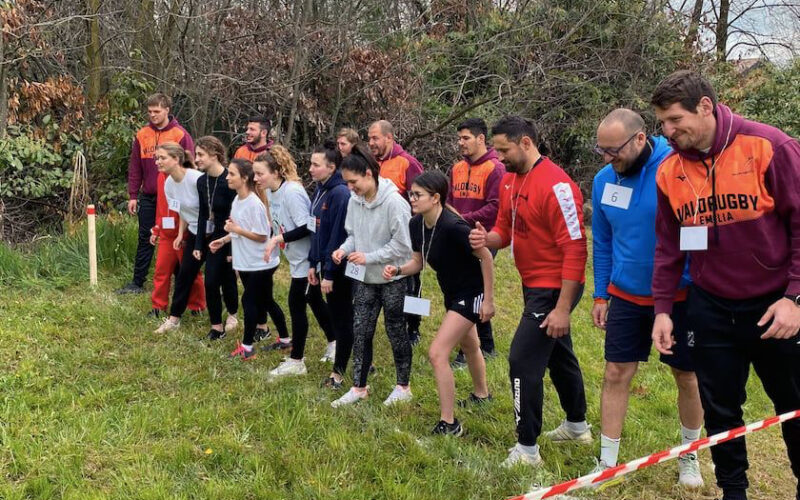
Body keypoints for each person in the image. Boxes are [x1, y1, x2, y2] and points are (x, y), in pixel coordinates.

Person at [650, 70, 800, 500]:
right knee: (720, 410)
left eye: (675, 120)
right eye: (662, 122)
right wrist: (663, 308)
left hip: (776, 307)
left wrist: (794, 298)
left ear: (705, 106)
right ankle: (733, 491)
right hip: (710, 306)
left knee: (793, 405)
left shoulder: (770, 146)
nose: (668, 131)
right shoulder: (669, 171)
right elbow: (668, 246)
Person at [589, 108, 703, 486]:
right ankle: (607, 463)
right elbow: (602, 241)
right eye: (601, 151)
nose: (608, 159)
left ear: (640, 139)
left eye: (613, 150)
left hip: (680, 297)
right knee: (615, 372)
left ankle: (690, 455)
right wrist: (601, 293)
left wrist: (684, 287)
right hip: (626, 295)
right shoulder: (605, 180)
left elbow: (697, 236)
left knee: (686, 375)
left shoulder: (677, 169)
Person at [469, 116, 590, 467]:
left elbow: (576, 250)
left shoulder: (558, 186)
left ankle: (527, 448)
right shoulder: (509, 181)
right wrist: (484, 238)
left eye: (504, 150)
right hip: (531, 282)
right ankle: (577, 426)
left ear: (525, 143)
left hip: (555, 287)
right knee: (557, 354)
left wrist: (563, 308)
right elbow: (503, 232)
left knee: (522, 359)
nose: (499, 157)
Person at [385, 170, 494, 436]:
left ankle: (449, 423)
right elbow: (417, 262)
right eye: (411, 194)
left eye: (418, 195)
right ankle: (482, 395)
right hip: (452, 294)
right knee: (470, 345)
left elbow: (487, 257)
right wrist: (397, 270)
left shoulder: (454, 227)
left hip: (471, 294)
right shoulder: (416, 225)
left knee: (437, 353)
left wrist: (488, 300)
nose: (412, 199)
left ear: (436, 198)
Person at [330, 144, 414, 408]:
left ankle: (403, 386)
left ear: (368, 174)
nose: (350, 188)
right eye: (346, 183)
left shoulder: (394, 203)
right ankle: (359, 387)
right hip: (365, 279)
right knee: (361, 331)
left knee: (395, 331)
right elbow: (353, 235)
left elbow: (403, 246)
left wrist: (369, 256)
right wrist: (343, 250)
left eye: (353, 182)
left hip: (394, 279)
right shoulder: (355, 201)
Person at [255, 146, 336, 378]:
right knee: (314, 300)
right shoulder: (271, 192)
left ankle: (297, 360)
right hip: (295, 258)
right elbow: (278, 222)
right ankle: (334, 342)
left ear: (276, 172)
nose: (256, 178)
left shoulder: (292, 192)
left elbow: (308, 227)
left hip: (310, 259)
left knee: (296, 304)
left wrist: (279, 238)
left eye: (260, 173)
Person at [118, 93, 194, 294]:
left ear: (167, 110)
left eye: (157, 111)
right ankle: (137, 282)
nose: (152, 115)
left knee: (175, 237)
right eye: (150, 111)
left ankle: (181, 281)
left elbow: (190, 166)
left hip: (173, 198)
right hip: (149, 195)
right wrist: (133, 194)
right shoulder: (142, 134)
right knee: (145, 237)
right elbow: (135, 166)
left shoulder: (180, 135)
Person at [448, 117, 505, 367]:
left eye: (466, 138)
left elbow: (495, 207)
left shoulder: (496, 168)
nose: (461, 143)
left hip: (484, 237)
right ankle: (486, 344)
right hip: (460, 236)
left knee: (471, 290)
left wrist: (463, 220)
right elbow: (448, 200)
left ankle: (468, 350)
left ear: (481, 139)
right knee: (474, 290)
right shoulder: (457, 167)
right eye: (459, 138)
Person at [209, 159, 276, 361]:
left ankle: (247, 347)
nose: (227, 177)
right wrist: (223, 239)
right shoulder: (237, 200)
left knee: (249, 300)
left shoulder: (255, 203)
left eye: (231, 174)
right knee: (266, 300)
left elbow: (263, 235)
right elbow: (238, 230)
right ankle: (283, 338)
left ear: (244, 178)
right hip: (246, 261)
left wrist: (235, 230)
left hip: (259, 262)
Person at [368, 119, 424, 345]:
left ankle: (414, 327)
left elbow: (420, 198)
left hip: (406, 235)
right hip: (377, 235)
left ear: (389, 138)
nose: (371, 142)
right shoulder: (370, 163)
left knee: (413, 282)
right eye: (369, 138)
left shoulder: (407, 163)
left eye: (375, 138)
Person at [307, 142, 354, 389]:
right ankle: (358, 362)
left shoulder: (340, 194)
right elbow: (317, 229)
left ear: (331, 167)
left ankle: (339, 372)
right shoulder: (320, 189)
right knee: (338, 317)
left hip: (339, 268)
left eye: (316, 165)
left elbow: (337, 236)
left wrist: (330, 272)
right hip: (322, 263)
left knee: (342, 318)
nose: (311, 169)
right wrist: (312, 262)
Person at [151, 143, 206, 334]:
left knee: (217, 277)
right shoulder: (167, 183)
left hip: (210, 232)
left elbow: (212, 206)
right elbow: (179, 210)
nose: (158, 162)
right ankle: (169, 315)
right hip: (185, 232)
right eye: (157, 158)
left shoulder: (196, 178)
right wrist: (176, 233)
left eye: (162, 158)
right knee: (178, 273)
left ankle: (206, 309)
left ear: (176, 159)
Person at [193, 136, 240, 339]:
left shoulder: (229, 180)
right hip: (211, 238)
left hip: (228, 237)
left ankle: (232, 313)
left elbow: (236, 215)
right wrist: (198, 244)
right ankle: (216, 326)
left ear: (215, 155)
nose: (197, 159)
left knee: (228, 279)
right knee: (211, 281)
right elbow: (203, 214)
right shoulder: (201, 181)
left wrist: (231, 249)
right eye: (196, 154)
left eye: (201, 155)